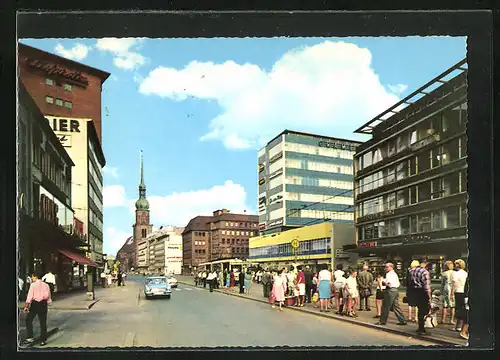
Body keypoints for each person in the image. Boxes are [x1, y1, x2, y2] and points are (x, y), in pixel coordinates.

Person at [23, 271, 52, 346]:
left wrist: (26, 306)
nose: (32, 278)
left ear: (35, 276)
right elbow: (48, 296)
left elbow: (29, 296)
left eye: (32, 276)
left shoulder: (33, 285)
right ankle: (43, 340)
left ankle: (30, 337)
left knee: (28, 320)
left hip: (35, 304)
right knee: (43, 322)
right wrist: (48, 303)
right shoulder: (46, 285)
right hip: (43, 304)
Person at [408, 259, 432, 335]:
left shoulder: (412, 271)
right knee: (424, 310)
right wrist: (429, 297)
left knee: (419, 309)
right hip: (422, 293)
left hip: (414, 292)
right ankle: (422, 328)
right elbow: (427, 286)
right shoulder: (425, 272)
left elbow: (408, 282)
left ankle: (420, 327)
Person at [450, 259, 468, 333]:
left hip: (458, 292)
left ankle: (458, 326)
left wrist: (451, 293)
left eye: (456, 264)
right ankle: (461, 326)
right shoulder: (465, 273)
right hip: (464, 292)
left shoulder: (455, 273)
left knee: (458, 309)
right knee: (463, 309)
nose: (455, 265)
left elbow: (454, 284)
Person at [441, 260, 456, 325]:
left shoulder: (444, 273)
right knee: (453, 305)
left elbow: (442, 283)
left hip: (446, 287)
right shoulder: (455, 273)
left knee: (445, 305)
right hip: (452, 287)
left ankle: (443, 319)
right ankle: (451, 320)